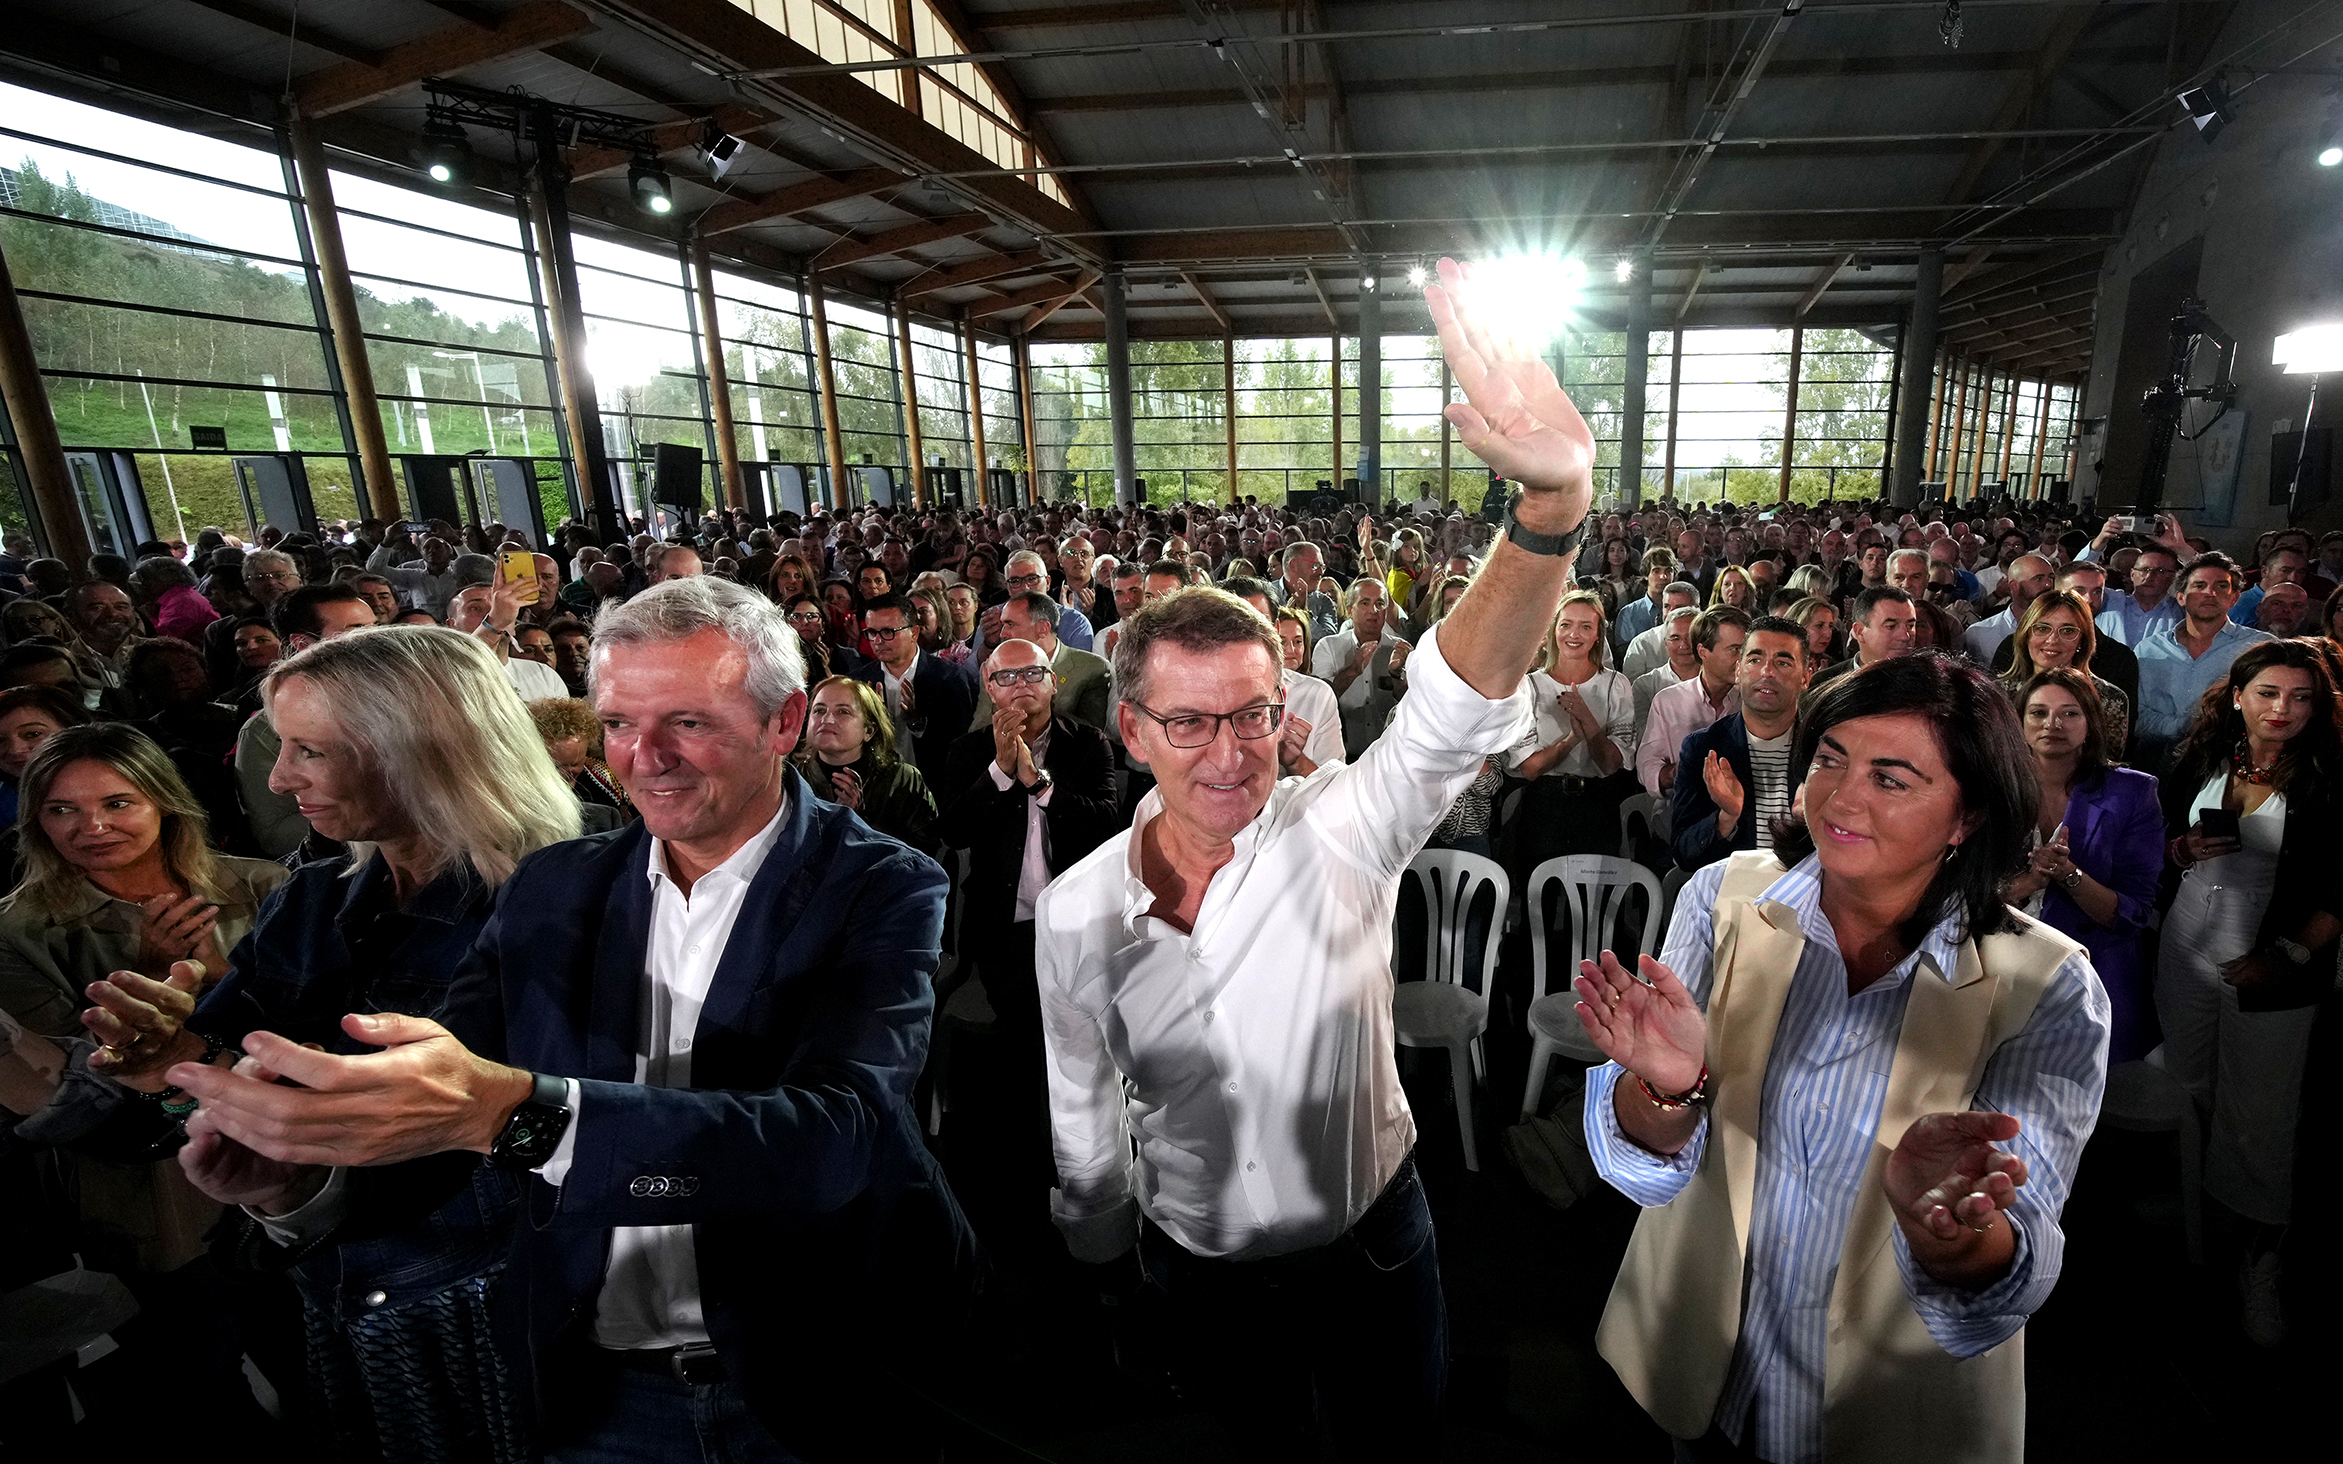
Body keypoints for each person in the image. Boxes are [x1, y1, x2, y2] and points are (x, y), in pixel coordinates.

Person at [164, 576, 980, 1464]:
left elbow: (838, 1136)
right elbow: (442, 1116)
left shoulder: (884, 883)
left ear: (783, 723)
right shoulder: (556, 885)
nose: (646, 756)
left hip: (823, 1364)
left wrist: (513, 1112)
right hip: (593, 1379)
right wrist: (298, 1182)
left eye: (690, 723)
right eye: (621, 724)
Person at [1038, 259, 1584, 1456]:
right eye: (1189, 721)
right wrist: (1104, 1272)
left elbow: (1455, 699)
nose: (1232, 751)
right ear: (1132, 731)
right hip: (1197, 1275)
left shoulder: (1342, 824)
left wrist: (1548, 514)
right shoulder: (1077, 914)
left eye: (1253, 712)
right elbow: (1084, 1122)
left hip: (1378, 1249)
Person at [1577, 651, 2109, 1462]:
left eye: (1891, 779)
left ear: (1966, 818)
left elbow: (2014, 1264)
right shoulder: (1725, 900)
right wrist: (1666, 1086)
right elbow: (1640, 1170)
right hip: (1711, 1367)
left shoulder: (2042, 984)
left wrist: (1949, 1232)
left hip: (1891, 1407)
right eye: (1829, 759)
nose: (1840, 796)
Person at [0, 723, 288, 1422]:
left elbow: (315, 1033)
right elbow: (75, 1091)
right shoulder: (21, 931)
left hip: (289, 1161)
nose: (92, 828)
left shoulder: (263, 885)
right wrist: (161, 977)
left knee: (311, 1351)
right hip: (149, 1192)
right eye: (62, 810)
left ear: (164, 801)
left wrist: (221, 979)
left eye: (118, 803)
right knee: (198, 1373)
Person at [2154, 639, 2343, 1346]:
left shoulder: (2330, 775)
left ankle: (2260, 1266)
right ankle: (2200, 1218)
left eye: (2300, 697)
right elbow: (2167, 837)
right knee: (2191, 1085)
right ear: (2236, 696)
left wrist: (2285, 956)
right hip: (2184, 953)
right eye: (2267, 693)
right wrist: (2180, 850)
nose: (2282, 710)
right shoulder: (2201, 756)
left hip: (2274, 970)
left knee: (2261, 1118)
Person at [935, 636, 1118, 1169]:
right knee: (1026, 1036)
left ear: (1054, 682)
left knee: (1083, 1034)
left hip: (1078, 923)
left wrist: (1037, 783)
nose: (1020, 687)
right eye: (1005, 678)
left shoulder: (1088, 744)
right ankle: (1037, 1152)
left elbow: (1105, 822)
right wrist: (998, 770)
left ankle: (1084, 1143)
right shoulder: (966, 752)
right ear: (988, 689)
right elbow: (954, 830)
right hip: (1005, 927)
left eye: (1032, 675)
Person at [1999, 669, 2164, 1065]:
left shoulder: (2133, 792)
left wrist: (2069, 876)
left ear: (2091, 723)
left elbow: (2135, 912)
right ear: (2019, 724)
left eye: (2069, 714)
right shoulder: (1994, 788)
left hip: (2091, 974)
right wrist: (2027, 882)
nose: (2052, 724)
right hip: (2001, 969)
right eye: (2038, 713)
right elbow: (1961, 895)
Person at [234, 583, 379, 860]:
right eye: (358, 631)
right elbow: (277, 834)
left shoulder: (400, 702)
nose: (377, 639)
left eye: (376, 627)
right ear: (304, 644)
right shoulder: (265, 730)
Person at [1667, 614, 1810, 871]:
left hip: (1809, 893)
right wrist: (1726, 817)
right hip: (1731, 896)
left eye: (1783, 662)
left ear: (1806, 677)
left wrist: (1809, 823)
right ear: (1738, 671)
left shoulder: (1824, 750)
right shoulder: (1703, 748)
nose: (1767, 672)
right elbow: (1683, 854)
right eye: (1755, 660)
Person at [2135, 553, 2273, 774]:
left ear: (2235, 597)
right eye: (2200, 585)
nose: (2210, 593)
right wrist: (2186, 726)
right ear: (2181, 597)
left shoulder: (2260, 647)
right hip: (2156, 762)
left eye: (2221, 586)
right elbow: (2137, 716)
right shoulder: (2148, 649)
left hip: (2231, 764)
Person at [794, 675, 939, 856]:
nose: (827, 720)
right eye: (819, 710)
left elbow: (924, 851)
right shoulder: (791, 778)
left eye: (843, 712)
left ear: (869, 731)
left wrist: (859, 821)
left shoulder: (902, 780)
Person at [1997, 588, 2132, 758]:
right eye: (2042, 628)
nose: (2053, 640)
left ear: (2082, 640)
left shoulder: (2109, 699)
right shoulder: (1998, 695)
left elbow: (2106, 768)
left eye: (2067, 631)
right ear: (2026, 635)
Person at [859, 591, 978, 782]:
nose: (878, 641)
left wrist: (918, 722)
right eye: (872, 633)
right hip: (877, 786)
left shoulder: (949, 677)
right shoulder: (860, 680)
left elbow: (959, 742)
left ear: (914, 632)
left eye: (888, 632)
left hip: (934, 785)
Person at [965, 592, 1112, 735]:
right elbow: (980, 727)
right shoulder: (992, 667)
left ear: (1042, 628)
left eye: (1010, 624)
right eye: (1002, 625)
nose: (1003, 634)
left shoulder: (1092, 669)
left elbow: (1087, 737)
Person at [1637, 606, 1746, 798]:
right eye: (1735, 650)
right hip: (1679, 815)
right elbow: (1648, 767)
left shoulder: (1753, 701)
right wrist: (1680, 770)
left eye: (1747, 651)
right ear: (1703, 652)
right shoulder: (1668, 702)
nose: (1743, 660)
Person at [1238, 587, 1344, 778]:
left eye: (1259, 622)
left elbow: (1335, 786)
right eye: (1236, 625)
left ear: (1274, 628)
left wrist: (1296, 761)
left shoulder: (1317, 695)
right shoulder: (1196, 697)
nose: (1248, 635)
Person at [1311, 576, 1413, 759]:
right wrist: (1354, 669)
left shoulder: (1400, 649)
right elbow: (1319, 703)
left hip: (1389, 755)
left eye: (1380, 603)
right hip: (1341, 756)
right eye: (1365, 603)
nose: (1374, 610)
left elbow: (1413, 705)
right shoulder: (1328, 647)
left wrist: (1398, 676)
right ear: (1350, 610)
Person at [529, 695, 636, 826]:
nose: (567, 773)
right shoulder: (521, 792)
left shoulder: (605, 782)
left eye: (574, 764)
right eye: (557, 767)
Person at [1631, 605, 1704, 733]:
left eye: (1690, 637)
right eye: (1675, 638)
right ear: (1665, 643)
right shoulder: (1644, 686)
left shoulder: (1721, 682)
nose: (1684, 645)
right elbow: (1642, 735)